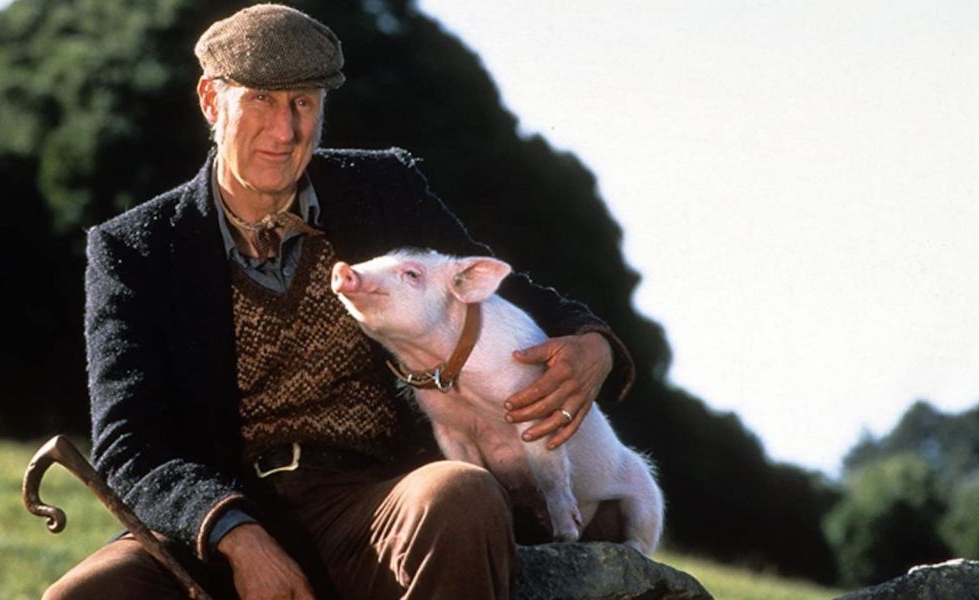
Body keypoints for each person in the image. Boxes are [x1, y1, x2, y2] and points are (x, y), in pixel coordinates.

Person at [44, 4, 634, 599]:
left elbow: (496, 284)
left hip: (378, 500)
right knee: (79, 598)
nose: (285, 131)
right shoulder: (134, 248)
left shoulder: (380, 188)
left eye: (303, 103)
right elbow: (130, 442)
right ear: (210, 101)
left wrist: (593, 344)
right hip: (220, 518)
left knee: (460, 493)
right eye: (260, 101)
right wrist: (236, 535)